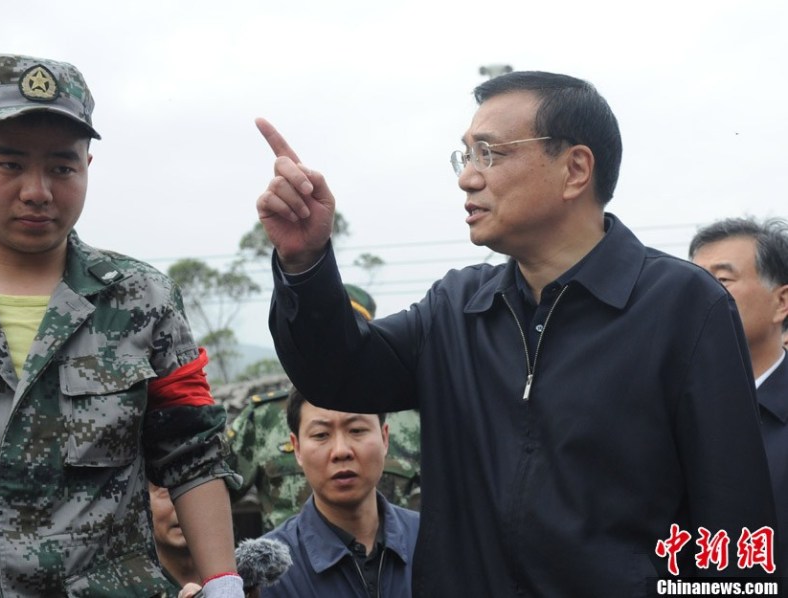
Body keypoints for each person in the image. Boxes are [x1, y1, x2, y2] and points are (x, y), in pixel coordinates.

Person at [254, 71, 777, 595]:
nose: (468, 178)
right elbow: (338, 373)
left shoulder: (682, 306)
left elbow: (734, 525)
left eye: (490, 154)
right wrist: (304, 262)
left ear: (575, 169)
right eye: (466, 156)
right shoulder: (456, 308)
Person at [0, 53, 243, 597]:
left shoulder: (142, 299)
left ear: (87, 168)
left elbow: (192, 451)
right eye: (9, 164)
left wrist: (223, 585)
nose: (38, 191)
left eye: (61, 167)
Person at [227, 284, 421, 535]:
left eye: (349, 333)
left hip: (391, 564)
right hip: (291, 569)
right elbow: (208, 497)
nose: (334, 346)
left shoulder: (406, 417)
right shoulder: (263, 419)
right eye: (320, 333)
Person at [689, 217, 788, 574]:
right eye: (693, 280)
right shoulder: (663, 405)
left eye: (722, 280)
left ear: (782, 302)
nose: (699, 294)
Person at [260, 387, 419, 597]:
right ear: (297, 448)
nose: (341, 451)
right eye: (321, 435)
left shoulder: (430, 539)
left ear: (384, 438)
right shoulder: (270, 573)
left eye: (357, 430)